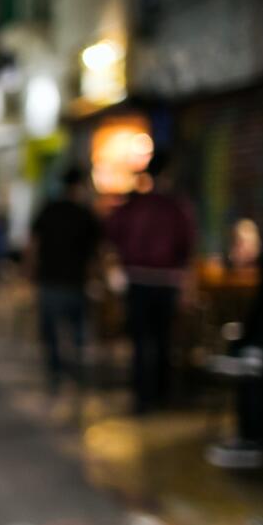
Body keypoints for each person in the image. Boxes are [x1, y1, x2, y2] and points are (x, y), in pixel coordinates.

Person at [105, 149, 196, 413]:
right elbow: (187, 245)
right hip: (167, 283)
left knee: (142, 341)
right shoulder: (177, 206)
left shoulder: (134, 206)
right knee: (163, 341)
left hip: (138, 281)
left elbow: (113, 235)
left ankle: (142, 398)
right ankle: (161, 396)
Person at [207, 234, 263, 468]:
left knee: (259, 370)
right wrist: (243, 346)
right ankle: (254, 439)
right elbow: (259, 320)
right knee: (253, 370)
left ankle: (257, 440)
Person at [27, 167, 103, 393]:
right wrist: (98, 277)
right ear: (80, 185)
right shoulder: (86, 214)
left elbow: (33, 244)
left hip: (49, 280)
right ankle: (76, 373)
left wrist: (29, 272)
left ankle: (56, 373)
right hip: (75, 282)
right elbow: (97, 252)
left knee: (51, 332)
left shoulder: (49, 209)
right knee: (77, 332)